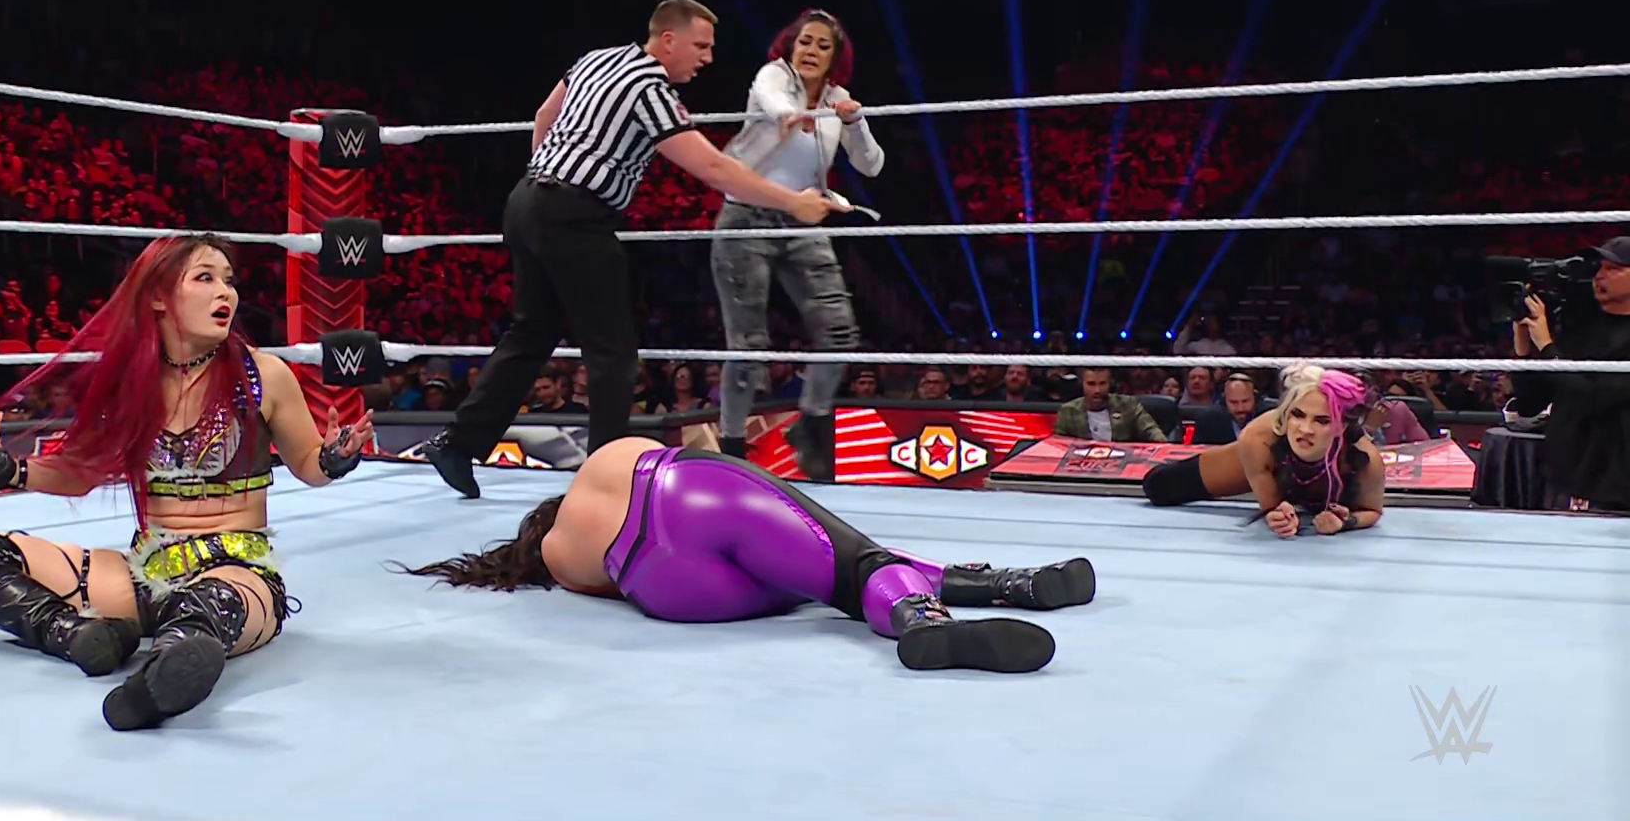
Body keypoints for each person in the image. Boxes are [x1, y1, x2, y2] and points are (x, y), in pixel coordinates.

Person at [0, 235, 375, 731]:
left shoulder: (263, 375)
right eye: (205, 278)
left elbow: (309, 464)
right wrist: (6, 468)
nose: (225, 292)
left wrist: (336, 457)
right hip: (145, 572)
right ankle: (79, 636)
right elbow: (79, 473)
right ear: (159, 296)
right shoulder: (130, 382)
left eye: (229, 281)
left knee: (204, 608)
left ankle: (151, 687)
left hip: (236, 572)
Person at [411, 0, 846, 498]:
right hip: (574, 215)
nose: (707, 59)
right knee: (613, 355)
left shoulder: (597, 59)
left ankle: (459, 443)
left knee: (532, 333)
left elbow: (545, 113)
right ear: (668, 40)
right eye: (700, 46)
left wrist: (545, 175)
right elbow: (712, 168)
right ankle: (607, 481)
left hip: (528, 200)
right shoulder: (650, 90)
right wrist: (792, 201)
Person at [398, 437, 1095, 673]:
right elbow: (691, 463)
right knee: (849, 561)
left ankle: (994, 586)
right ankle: (929, 614)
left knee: (823, 576)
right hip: (689, 498)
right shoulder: (602, 463)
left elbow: (622, 584)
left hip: (674, 595)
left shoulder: (560, 563)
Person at [710, 10, 883, 479]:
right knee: (748, 344)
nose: (811, 51)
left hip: (803, 217)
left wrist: (855, 122)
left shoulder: (837, 99)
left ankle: (811, 422)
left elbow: (871, 165)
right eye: (805, 41)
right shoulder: (773, 76)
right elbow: (772, 101)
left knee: (839, 332)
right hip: (748, 216)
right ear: (791, 45)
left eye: (823, 45)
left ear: (835, 57)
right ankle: (732, 446)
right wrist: (793, 115)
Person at [1139, 363, 1385, 537]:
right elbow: (1273, 507)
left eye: (1321, 420)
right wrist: (1277, 512)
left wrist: (1346, 522)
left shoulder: (1364, 460)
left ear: (1342, 426)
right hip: (1274, 464)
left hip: (1326, 473)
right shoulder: (1259, 439)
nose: (1305, 429)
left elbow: (1372, 511)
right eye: (1298, 415)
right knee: (1159, 486)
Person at [1508, 237, 1630, 510]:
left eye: (1614, 268)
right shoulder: (1580, 327)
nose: (1600, 276)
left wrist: (1547, 348)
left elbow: (1596, 398)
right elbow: (1530, 404)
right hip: (1563, 478)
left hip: (1615, 483)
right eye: (1598, 267)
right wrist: (1524, 347)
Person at [1054, 368, 1168, 443]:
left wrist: (1164, 447)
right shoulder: (1068, 411)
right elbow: (1059, 445)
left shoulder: (1128, 404)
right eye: (1091, 384)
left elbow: (1151, 430)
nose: (1097, 390)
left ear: (1110, 384)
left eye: (1102, 384)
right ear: (1082, 384)